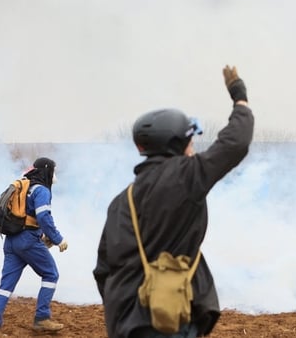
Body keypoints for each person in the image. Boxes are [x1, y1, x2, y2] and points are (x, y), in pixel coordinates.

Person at [93, 65, 253, 338]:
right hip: (166, 319)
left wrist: (126, 308)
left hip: (124, 322)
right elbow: (235, 144)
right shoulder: (185, 177)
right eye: (190, 141)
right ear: (177, 144)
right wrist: (239, 97)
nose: (193, 148)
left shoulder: (122, 200)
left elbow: (103, 270)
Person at [0, 157, 67, 337]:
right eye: (53, 170)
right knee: (51, 274)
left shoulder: (25, 185)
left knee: (6, 285)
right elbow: (43, 217)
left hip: (11, 240)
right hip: (28, 240)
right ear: (47, 170)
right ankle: (42, 318)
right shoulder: (41, 189)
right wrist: (57, 239)